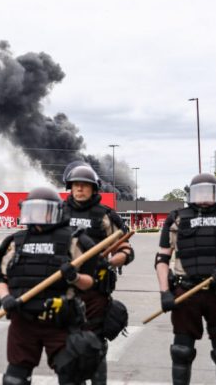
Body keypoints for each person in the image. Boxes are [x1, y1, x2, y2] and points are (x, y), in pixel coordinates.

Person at [154, 173, 216, 385]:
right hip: (186, 293)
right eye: (200, 192)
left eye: (210, 192)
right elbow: (162, 259)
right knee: (181, 350)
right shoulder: (177, 218)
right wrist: (164, 292)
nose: (205, 197)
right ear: (190, 194)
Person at [0, 186, 101, 385]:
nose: (38, 215)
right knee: (14, 379)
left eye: (43, 209)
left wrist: (74, 277)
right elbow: (0, 280)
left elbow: (89, 283)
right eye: (33, 210)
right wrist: (5, 297)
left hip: (60, 321)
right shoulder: (15, 243)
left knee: (71, 377)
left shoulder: (74, 241)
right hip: (24, 320)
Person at [61, 162, 133, 384]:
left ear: (94, 188)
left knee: (95, 344)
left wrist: (110, 262)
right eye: (76, 185)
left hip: (95, 292)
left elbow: (126, 251)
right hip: (64, 289)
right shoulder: (58, 213)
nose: (80, 189)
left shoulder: (106, 216)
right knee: (67, 343)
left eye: (84, 185)